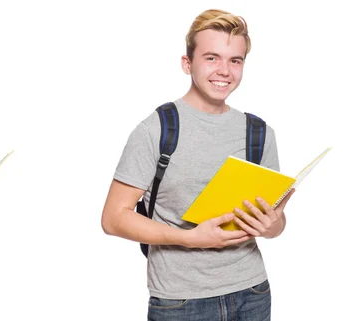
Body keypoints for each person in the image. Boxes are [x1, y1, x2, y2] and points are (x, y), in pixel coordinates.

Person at [101, 9, 295, 321]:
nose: (225, 70)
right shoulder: (158, 129)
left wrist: (273, 225)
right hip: (180, 302)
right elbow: (113, 218)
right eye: (211, 58)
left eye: (235, 60)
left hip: (253, 292)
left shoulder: (259, 133)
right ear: (187, 63)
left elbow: (276, 223)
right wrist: (189, 238)